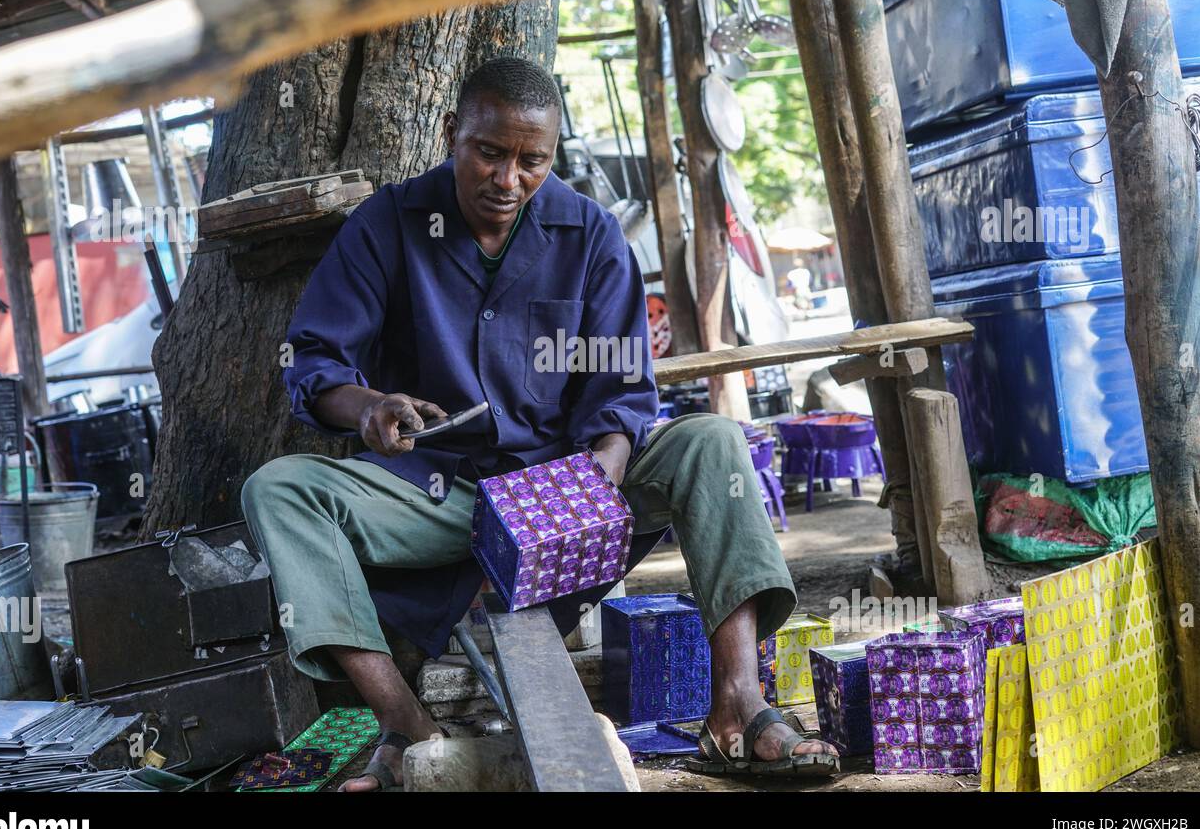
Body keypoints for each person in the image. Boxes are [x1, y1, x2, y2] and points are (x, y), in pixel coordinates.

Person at [241, 56, 839, 791]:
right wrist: (369, 408)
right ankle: (408, 725)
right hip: (435, 493)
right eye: (489, 153)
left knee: (710, 441)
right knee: (278, 489)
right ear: (451, 130)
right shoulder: (388, 226)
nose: (508, 179)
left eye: (533, 160)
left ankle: (737, 706)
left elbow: (623, 396)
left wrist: (591, 486)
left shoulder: (589, 235)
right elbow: (314, 361)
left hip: (563, 487)